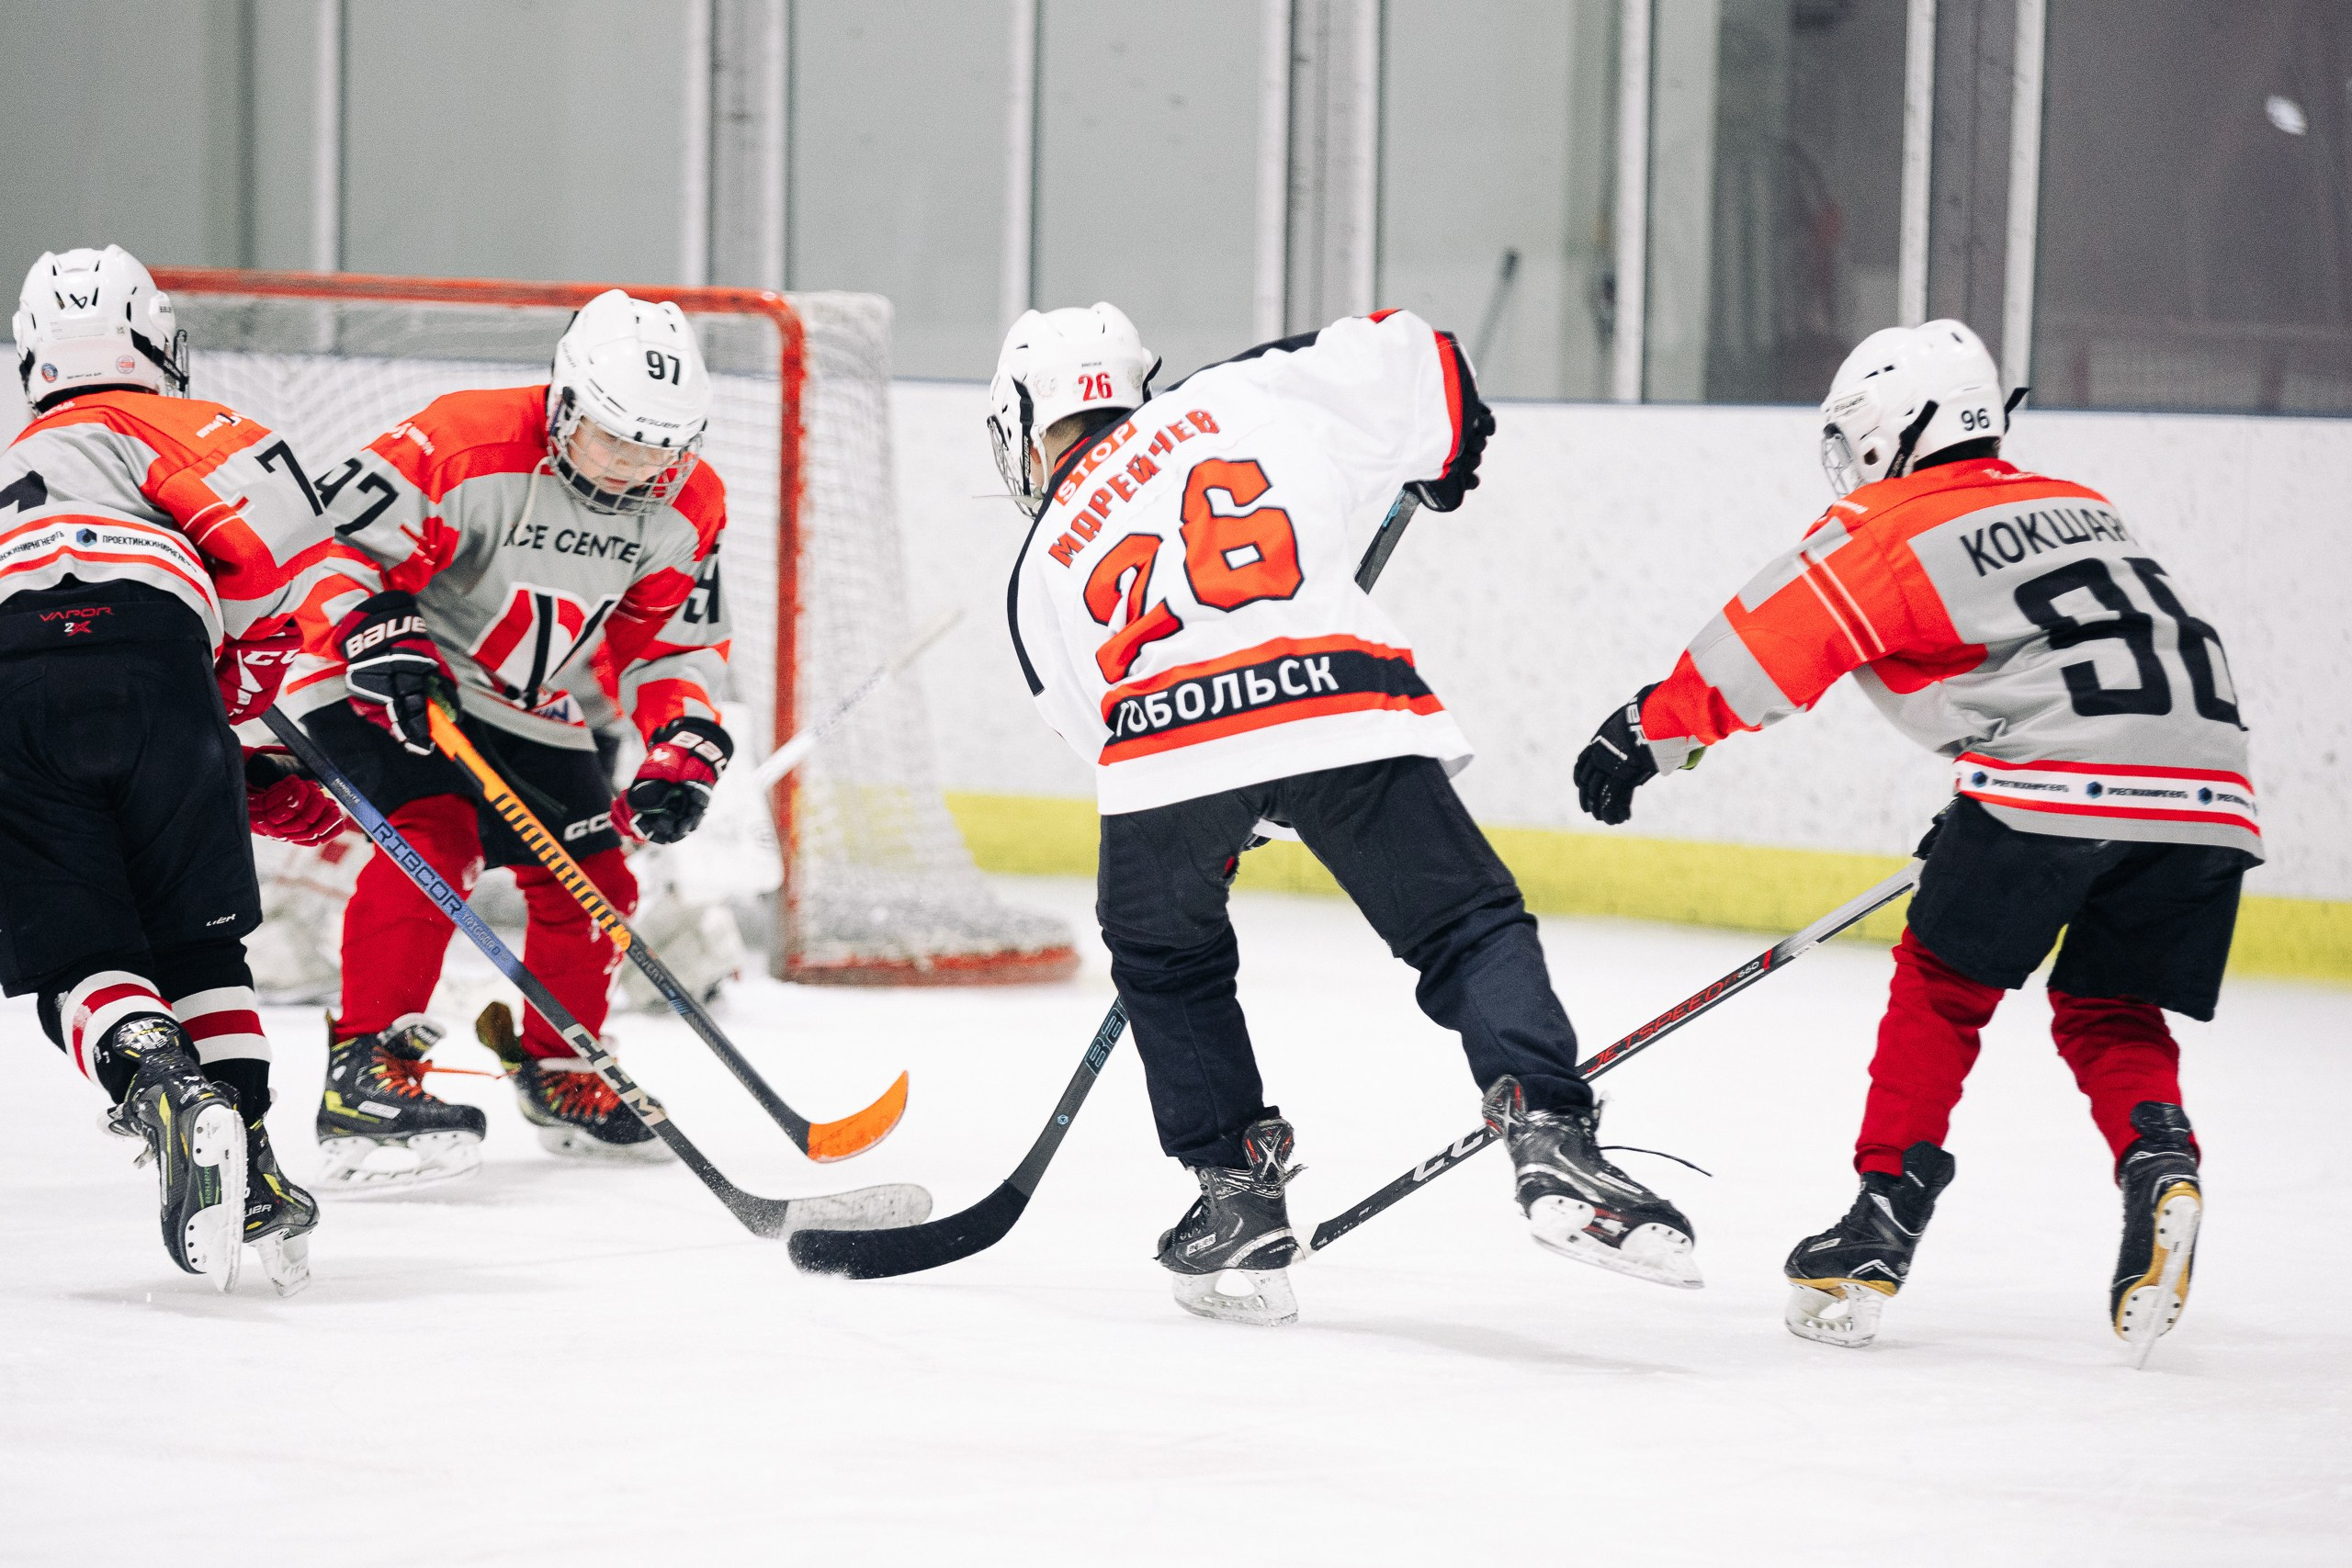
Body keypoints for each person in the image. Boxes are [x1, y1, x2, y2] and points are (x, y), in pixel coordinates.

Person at [990, 302, 1701, 1326]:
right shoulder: (1232, 392)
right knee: (1463, 929)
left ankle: (1233, 1193)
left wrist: (1229, 809)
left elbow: (1100, 741)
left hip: (1164, 746)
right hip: (1335, 695)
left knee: (1166, 959)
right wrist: (1446, 454)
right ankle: (1547, 1131)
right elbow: (1421, 354)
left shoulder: (1037, 564)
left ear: (1023, 422)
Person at [1572, 319, 2252, 1357]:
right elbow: (2081, 667)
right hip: (2209, 791)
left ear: (1900, 425)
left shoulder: (1888, 524)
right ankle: (2160, 1158)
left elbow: (1772, 643)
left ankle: (1879, 1221)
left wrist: (1646, 732)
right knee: (2108, 1006)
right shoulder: (2086, 507)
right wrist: (1987, 792)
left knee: (1941, 983)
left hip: (2051, 785)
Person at [283, 289, 736, 1181]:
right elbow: (326, 546)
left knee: (593, 872)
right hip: (374, 666)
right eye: (612, 435)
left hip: (518, 696)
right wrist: (373, 627)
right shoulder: (461, 439)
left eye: (657, 444)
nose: (631, 462)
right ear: (564, 400)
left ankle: (561, 1067)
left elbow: (669, 645)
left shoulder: (689, 501)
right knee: (434, 836)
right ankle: (367, 1070)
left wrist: (680, 746)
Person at [2, 245, 346, 1292]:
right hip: (160, 657)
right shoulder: (186, 422)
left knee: (77, 956)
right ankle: (252, 1169)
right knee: (199, 946)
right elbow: (275, 548)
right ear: (160, 345)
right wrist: (238, 734)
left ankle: (155, 1079)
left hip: (11, 672)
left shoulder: (20, 462)